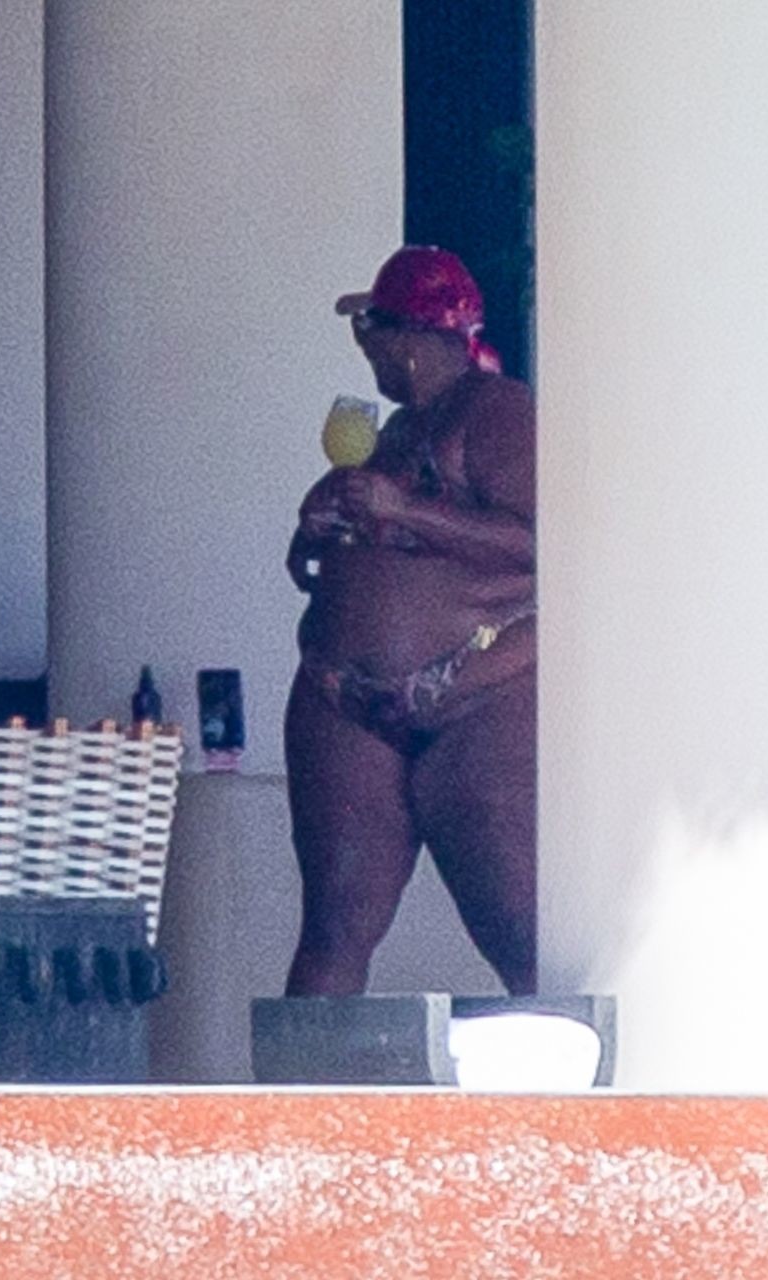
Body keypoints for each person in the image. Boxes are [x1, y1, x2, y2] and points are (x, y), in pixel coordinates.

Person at [282, 246, 536, 996]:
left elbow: (547, 545)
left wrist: (406, 511)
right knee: (333, 928)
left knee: (520, 928)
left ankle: (574, 1064)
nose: (365, 349)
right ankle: (304, 1074)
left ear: (413, 338)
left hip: (473, 692)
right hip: (344, 692)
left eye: (372, 331)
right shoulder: (393, 430)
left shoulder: (496, 412)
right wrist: (317, 535)